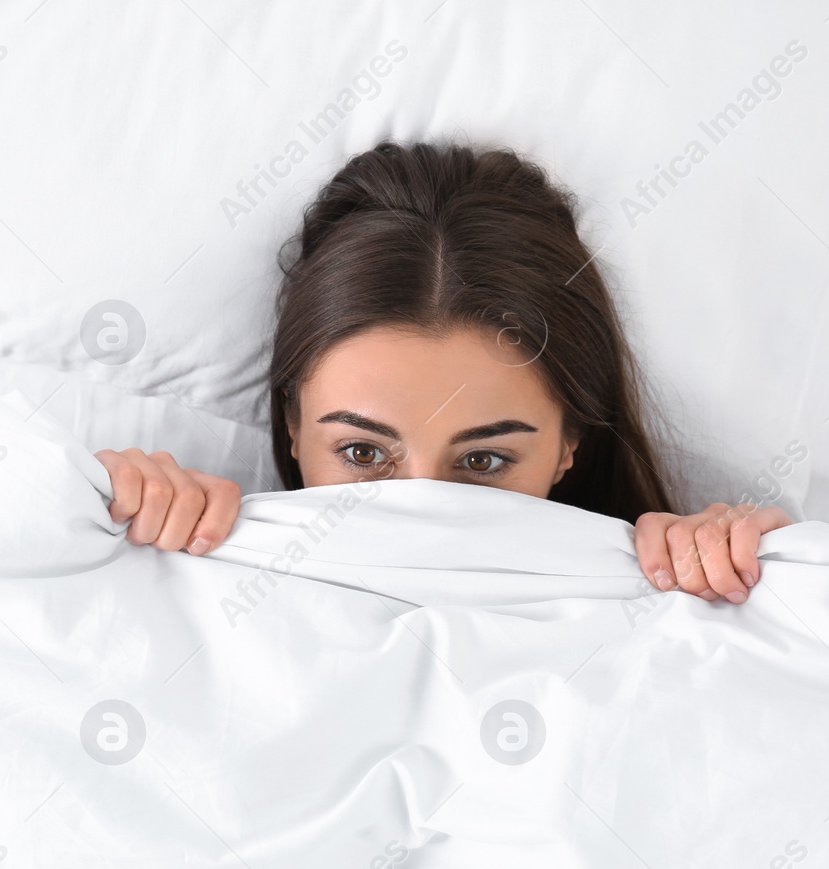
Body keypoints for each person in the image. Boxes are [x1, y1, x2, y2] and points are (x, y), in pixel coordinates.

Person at [93, 141, 792, 605]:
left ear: (567, 445)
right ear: (293, 427)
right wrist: (113, 514)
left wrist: (746, 572)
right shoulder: (201, 574)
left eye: (484, 459)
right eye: (363, 452)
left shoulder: (661, 604)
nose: (421, 507)